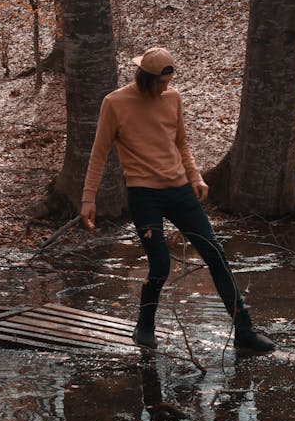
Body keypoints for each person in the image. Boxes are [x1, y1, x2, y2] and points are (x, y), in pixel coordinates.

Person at [80, 47, 275, 353]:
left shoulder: (173, 98)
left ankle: (244, 330)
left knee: (215, 254)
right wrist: (88, 198)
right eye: (160, 82)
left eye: (169, 82)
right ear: (145, 78)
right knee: (160, 265)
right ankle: (144, 325)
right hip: (144, 195)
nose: (165, 88)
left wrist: (195, 177)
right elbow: (99, 154)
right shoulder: (115, 103)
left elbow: (181, 143)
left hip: (180, 190)